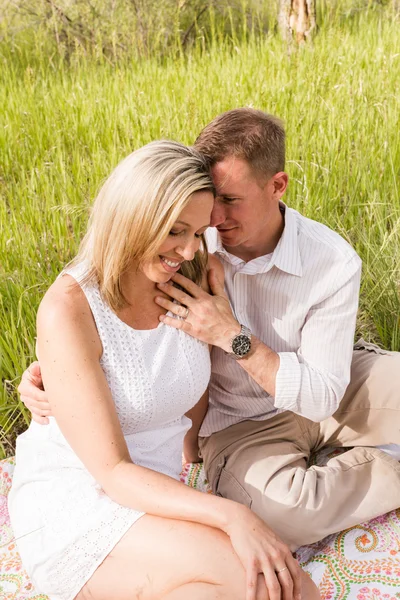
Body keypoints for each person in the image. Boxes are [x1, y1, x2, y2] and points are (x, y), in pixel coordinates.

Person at [20, 110, 400, 550]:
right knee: (284, 515)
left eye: (231, 200)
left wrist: (231, 335)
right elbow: (106, 305)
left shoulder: (331, 260)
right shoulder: (187, 240)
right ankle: (386, 469)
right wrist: (52, 370)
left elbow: (321, 398)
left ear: (277, 186)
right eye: (211, 199)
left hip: (325, 386)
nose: (215, 217)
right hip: (242, 423)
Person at [9, 139, 320, 600]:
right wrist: (233, 516)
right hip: (82, 499)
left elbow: (190, 383)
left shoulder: (191, 276)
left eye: (198, 232)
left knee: (278, 586)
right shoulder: (70, 309)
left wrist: (192, 456)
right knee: (269, 583)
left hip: (156, 492)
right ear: (135, 217)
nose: (190, 249)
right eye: (176, 231)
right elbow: (112, 469)